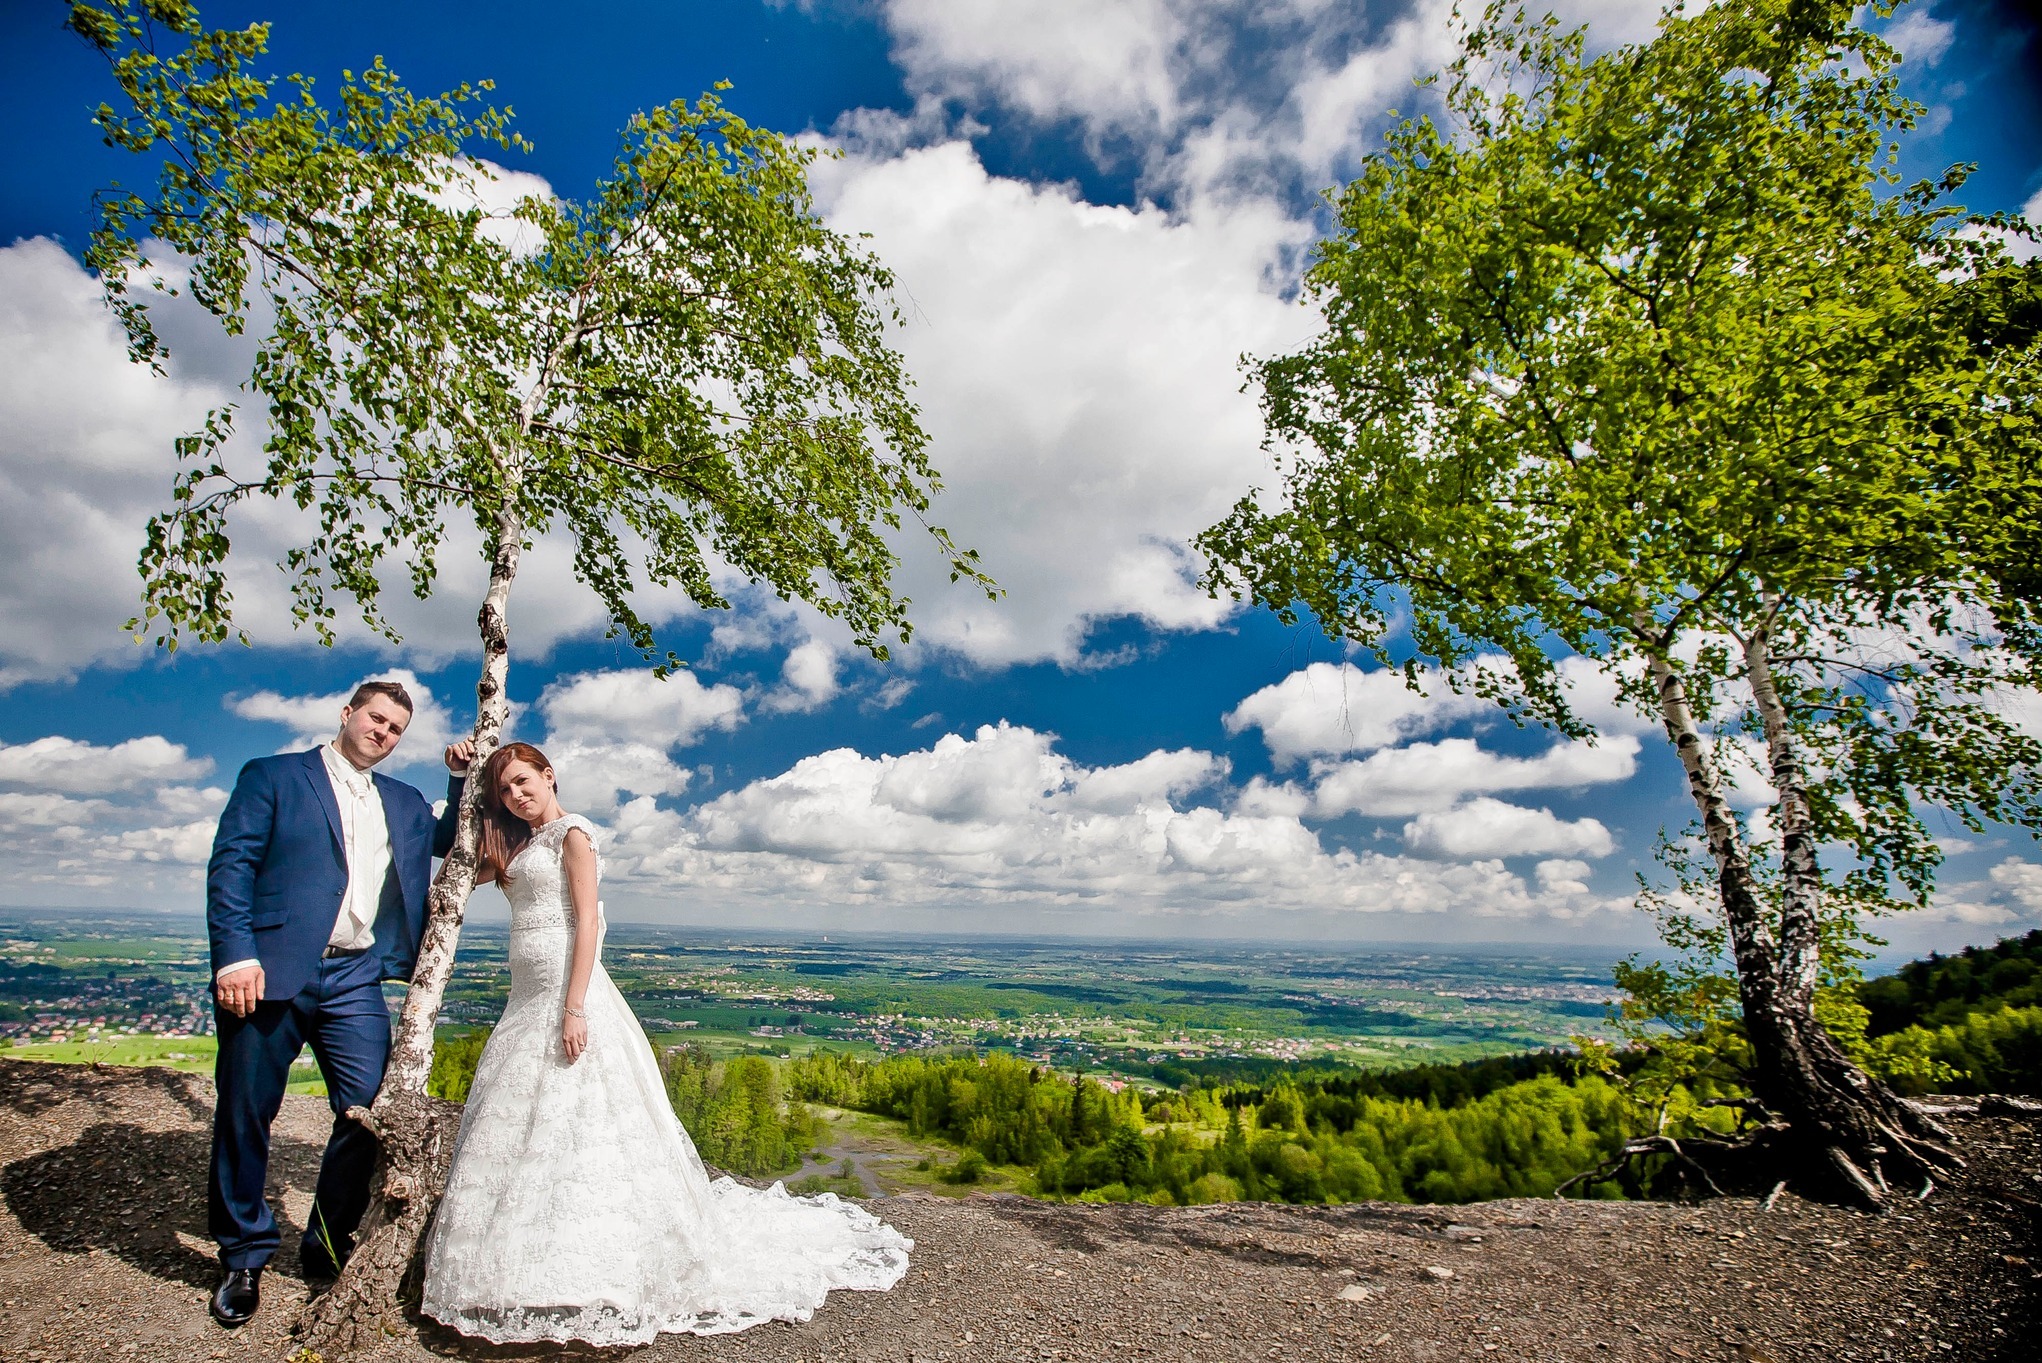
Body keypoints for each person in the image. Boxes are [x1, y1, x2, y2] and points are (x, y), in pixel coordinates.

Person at [420, 741, 911, 1345]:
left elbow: (587, 925)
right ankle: (512, 1265)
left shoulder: (574, 834)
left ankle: (595, 1266)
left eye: (524, 781)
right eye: (504, 789)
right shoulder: (515, 846)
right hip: (524, 998)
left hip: (567, 993)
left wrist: (574, 1008)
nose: (516, 795)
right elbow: (455, 866)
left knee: (580, 1121)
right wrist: (461, 782)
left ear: (549, 776)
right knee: (518, 1121)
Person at [204, 680, 460, 1328]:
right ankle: (243, 1255)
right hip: (268, 970)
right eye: (376, 718)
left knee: (370, 1109)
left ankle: (324, 1238)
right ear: (347, 713)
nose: (384, 732)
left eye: (396, 728)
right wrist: (235, 954)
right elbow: (232, 865)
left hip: (354, 975)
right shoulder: (273, 777)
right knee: (246, 1111)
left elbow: (451, 839)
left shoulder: (402, 800)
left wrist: (459, 779)